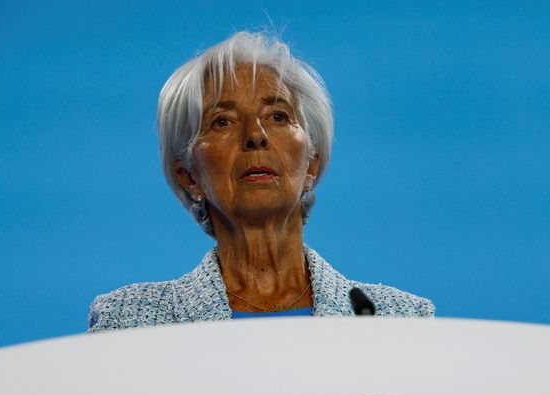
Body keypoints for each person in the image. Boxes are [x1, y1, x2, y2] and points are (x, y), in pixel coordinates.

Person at [88, 32, 434, 332]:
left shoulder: (397, 320)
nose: (256, 135)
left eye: (278, 116)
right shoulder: (129, 323)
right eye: (223, 121)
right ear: (188, 175)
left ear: (311, 163)